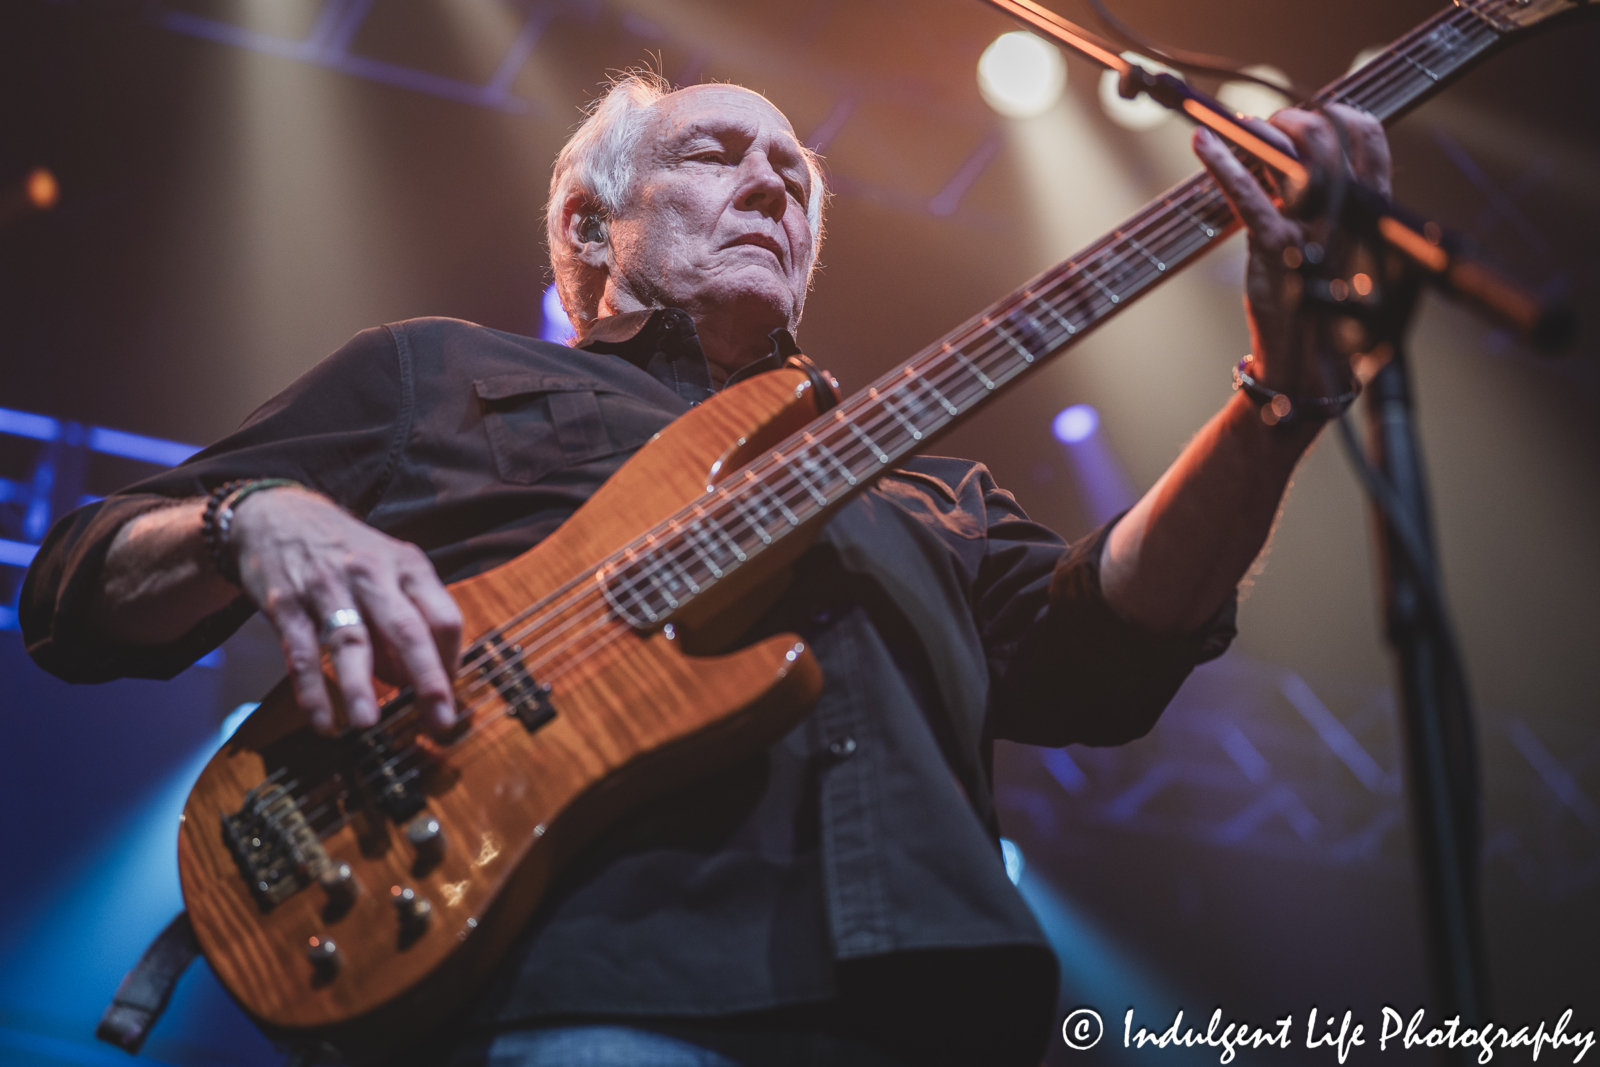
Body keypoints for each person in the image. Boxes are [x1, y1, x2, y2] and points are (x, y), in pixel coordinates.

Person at [22, 72, 1391, 1066]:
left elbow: (1108, 652)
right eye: (719, 153)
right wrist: (248, 514)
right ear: (592, 232)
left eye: (795, 173)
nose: (776, 181)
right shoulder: (436, 371)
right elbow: (75, 591)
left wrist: (1279, 397)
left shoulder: (917, 484)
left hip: (923, 1001)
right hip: (590, 985)